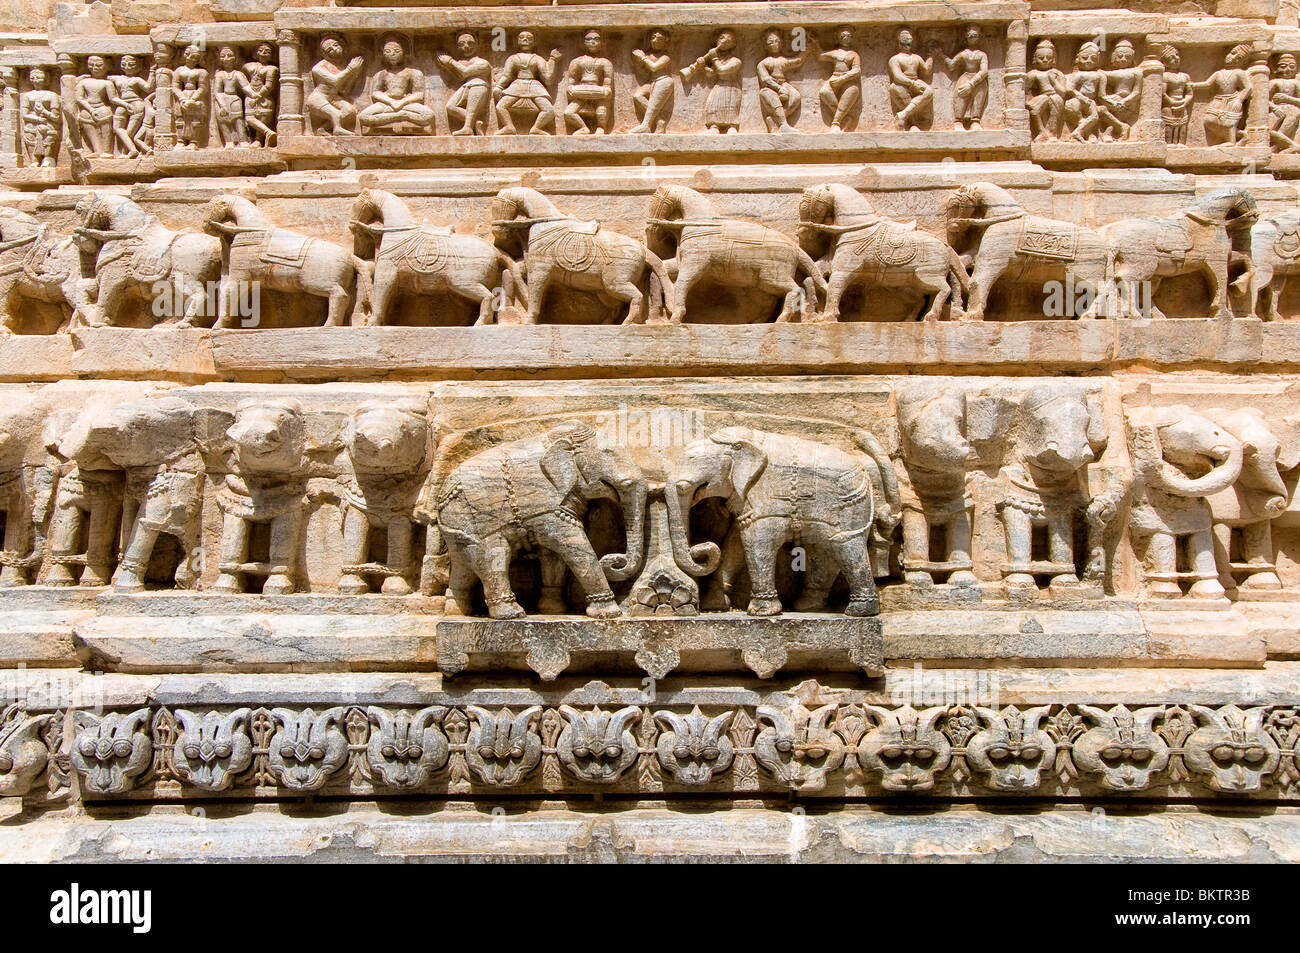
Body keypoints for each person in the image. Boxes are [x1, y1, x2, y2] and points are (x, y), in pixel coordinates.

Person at [359, 36, 434, 133]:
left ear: (404, 52)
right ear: (382, 53)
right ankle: (400, 116)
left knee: (429, 115)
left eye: (397, 51)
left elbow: (419, 94)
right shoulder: (381, 73)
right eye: (387, 51)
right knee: (363, 116)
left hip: (405, 104)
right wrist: (391, 102)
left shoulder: (413, 72)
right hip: (386, 104)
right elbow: (376, 93)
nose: (392, 54)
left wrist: (402, 102)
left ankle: (400, 115)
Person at [493, 30, 562, 135]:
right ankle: (509, 126)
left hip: (534, 86)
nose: (525, 39)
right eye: (522, 37)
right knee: (500, 106)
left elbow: (548, 78)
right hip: (517, 85)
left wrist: (553, 59)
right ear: (517, 41)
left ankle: (536, 128)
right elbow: (507, 76)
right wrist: (499, 86)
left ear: (534, 42)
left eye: (529, 38)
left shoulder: (537, 58)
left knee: (549, 110)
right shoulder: (513, 58)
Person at [682, 29, 742, 134]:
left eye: (727, 41)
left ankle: (731, 127)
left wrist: (714, 57)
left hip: (731, 86)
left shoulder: (736, 61)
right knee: (714, 104)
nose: (723, 41)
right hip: (720, 84)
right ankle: (714, 127)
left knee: (730, 106)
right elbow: (712, 74)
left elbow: (722, 71)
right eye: (721, 38)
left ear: (732, 45)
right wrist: (702, 66)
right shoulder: (719, 59)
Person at [306, 33, 364, 135]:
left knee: (350, 111)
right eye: (329, 50)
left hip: (333, 97)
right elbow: (334, 81)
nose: (334, 49)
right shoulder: (318, 67)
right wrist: (350, 69)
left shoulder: (340, 67)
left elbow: (344, 90)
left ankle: (323, 129)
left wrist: (355, 73)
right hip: (318, 98)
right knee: (335, 113)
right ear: (326, 54)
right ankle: (338, 129)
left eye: (336, 45)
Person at [438, 32, 491, 136]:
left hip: (478, 85)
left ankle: (468, 127)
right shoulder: (461, 62)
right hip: (466, 86)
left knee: (471, 109)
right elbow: (461, 76)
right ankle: (474, 122)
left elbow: (465, 72)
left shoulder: (483, 63)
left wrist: (450, 61)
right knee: (450, 107)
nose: (466, 47)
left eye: (470, 43)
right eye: (461, 44)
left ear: (477, 44)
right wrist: (444, 63)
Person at [757, 28, 805, 134]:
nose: (774, 44)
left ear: (781, 43)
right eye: (770, 42)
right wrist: (778, 88)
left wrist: (807, 48)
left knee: (795, 96)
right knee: (772, 98)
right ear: (765, 45)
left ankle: (774, 120)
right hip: (770, 87)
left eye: (777, 41)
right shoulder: (763, 63)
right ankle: (784, 125)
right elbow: (765, 79)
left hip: (783, 83)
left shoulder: (782, 60)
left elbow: (798, 61)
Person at [887, 28, 934, 130]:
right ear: (898, 43)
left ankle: (903, 115)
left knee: (928, 91)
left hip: (915, 80)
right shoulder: (895, 59)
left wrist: (931, 57)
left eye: (908, 41)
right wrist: (912, 83)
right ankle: (913, 124)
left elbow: (926, 71)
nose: (906, 44)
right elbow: (897, 76)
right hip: (902, 83)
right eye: (903, 41)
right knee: (896, 89)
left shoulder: (916, 57)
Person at [630, 29, 673, 134]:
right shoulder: (649, 55)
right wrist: (637, 60)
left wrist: (643, 58)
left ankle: (646, 125)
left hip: (664, 81)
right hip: (652, 81)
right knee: (638, 96)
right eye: (653, 38)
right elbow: (644, 72)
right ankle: (659, 121)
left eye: (660, 39)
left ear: (665, 42)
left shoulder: (665, 57)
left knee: (654, 104)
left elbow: (654, 67)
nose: (655, 41)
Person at [818, 26, 860, 133]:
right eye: (843, 36)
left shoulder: (854, 54)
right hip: (835, 76)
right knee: (824, 91)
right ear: (837, 37)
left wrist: (842, 79)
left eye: (849, 36)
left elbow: (856, 70)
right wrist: (814, 43)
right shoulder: (835, 52)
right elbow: (821, 56)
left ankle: (836, 122)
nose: (846, 38)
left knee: (853, 91)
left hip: (847, 79)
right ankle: (845, 117)